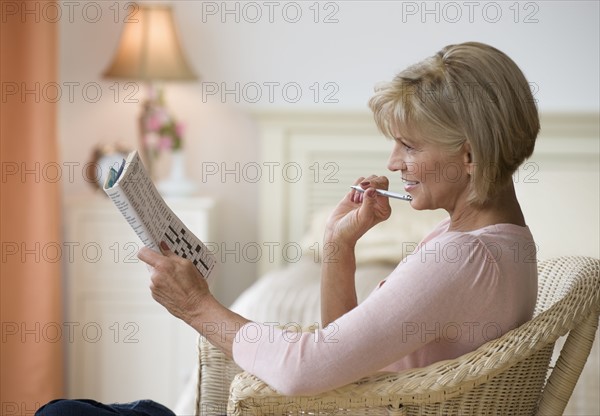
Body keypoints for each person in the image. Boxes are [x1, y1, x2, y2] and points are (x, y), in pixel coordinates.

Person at [36, 41, 539, 414]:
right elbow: (346, 354)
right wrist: (339, 249)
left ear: (469, 155)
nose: (394, 161)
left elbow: (305, 369)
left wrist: (197, 307)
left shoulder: (461, 259)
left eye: (410, 146)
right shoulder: (502, 244)